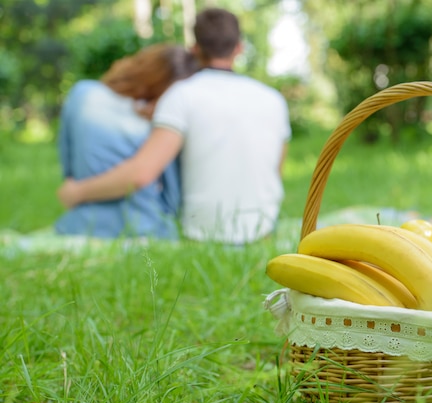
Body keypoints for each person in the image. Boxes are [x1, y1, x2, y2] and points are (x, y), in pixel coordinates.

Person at [57, 8, 292, 245]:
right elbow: (276, 172)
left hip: (202, 236)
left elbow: (142, 172)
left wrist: (75, 192)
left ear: (195, 49)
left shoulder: (181, 95)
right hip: (263, 231)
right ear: (239, 48)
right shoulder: (274, 99)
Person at [55, 43, 198, 239]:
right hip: (147, 228)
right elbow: (169, 193)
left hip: (81, 225)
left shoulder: (81, 94)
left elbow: (69, 166)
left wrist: (77, 192)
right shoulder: (164, 119)